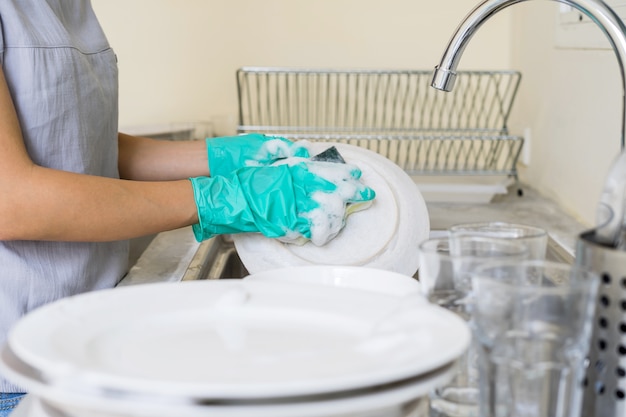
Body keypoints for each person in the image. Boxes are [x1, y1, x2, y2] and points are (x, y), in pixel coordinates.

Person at [0, 2, 375, 415]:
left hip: (87, 332)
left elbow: (79, 145)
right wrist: (225, 198)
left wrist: (221, 158)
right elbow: (10, 201)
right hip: (15, 372)